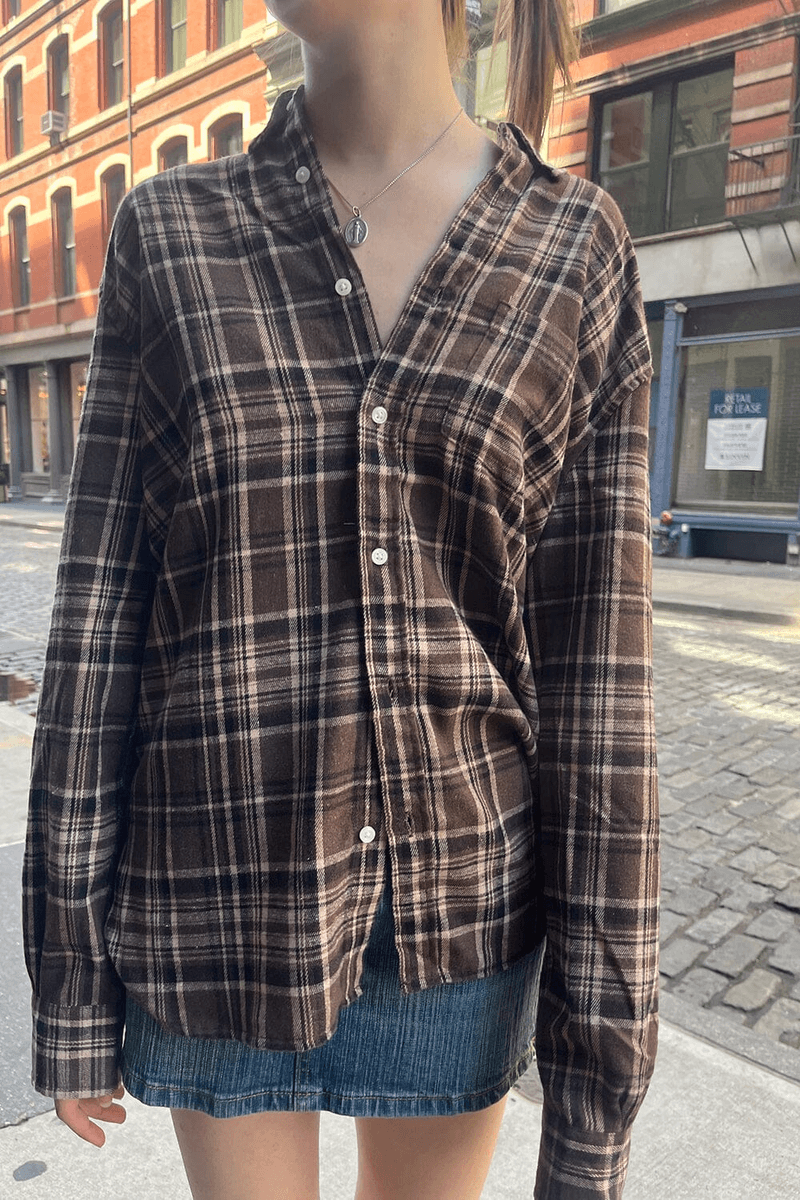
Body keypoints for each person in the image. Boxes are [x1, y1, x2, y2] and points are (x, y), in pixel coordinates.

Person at [22, 1, 660, 1196]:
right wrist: (69, 980)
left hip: (454, 927)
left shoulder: (571, 249)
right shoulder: (171, 234)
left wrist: (597, 1089)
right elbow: (100, 625)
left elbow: (599, 693)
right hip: (212, 905)